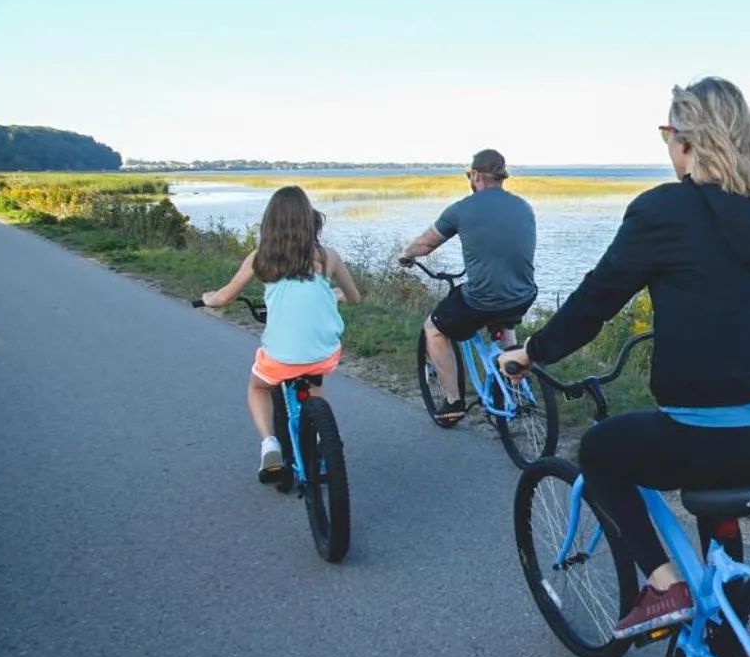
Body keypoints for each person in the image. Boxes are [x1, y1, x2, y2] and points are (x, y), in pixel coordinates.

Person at [499, 77, 750, 639]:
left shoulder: (665, 211)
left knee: (600, 450)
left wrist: (533, 351)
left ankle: (666, 585)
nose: (667, 147)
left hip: (709, 438)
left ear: (690, 143)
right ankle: (730, 615)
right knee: (716, 472)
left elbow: (598, 299)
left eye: (668, 134)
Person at [201, 186, 363, 482]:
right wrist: (334, 295)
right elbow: (354, 297)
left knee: (259, 387)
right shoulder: (328, 257)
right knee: (313, 382)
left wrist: (208, 297)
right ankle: (321, 444)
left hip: (281, 357)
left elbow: (223, 297)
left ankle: (270, 444)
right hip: (324, 354)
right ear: (308, 220)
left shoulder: (260, 258)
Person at [398, 149, 538, 425]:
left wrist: (407, 254)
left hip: (483, 298)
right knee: (503, 323)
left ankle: (453, 402)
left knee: (434, 329)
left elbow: (426, 244)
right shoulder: (524, 206)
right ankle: (515, 383)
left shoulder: (462, 209)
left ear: (475, 175)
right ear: (501, 176)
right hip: (524, 293)